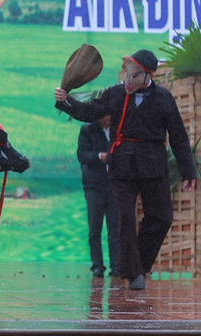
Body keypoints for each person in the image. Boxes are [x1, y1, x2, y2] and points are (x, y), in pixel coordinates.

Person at [55, 49, 196, 290]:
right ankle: (134, 275)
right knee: (125, 218)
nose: (128, 80)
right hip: (121, 164)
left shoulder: (163, 98)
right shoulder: (116, 93)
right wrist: (65, 101)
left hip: (153, 163)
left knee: (162, 217)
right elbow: (90, 112)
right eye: (127, 73)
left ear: (148, 75)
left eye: (134, 75)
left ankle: (138, 265)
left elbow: (179, 137)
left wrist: (188, 171)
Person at [77, 115, 119, 278]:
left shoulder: (117, 130)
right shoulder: (88, 129)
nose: (110, 117)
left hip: (114, 184)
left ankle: (116, 265)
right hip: (94, 185)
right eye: (107, 114)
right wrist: (99, 156)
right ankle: (97, 265)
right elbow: (82, 154)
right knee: (95, 227)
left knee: (115, 227)